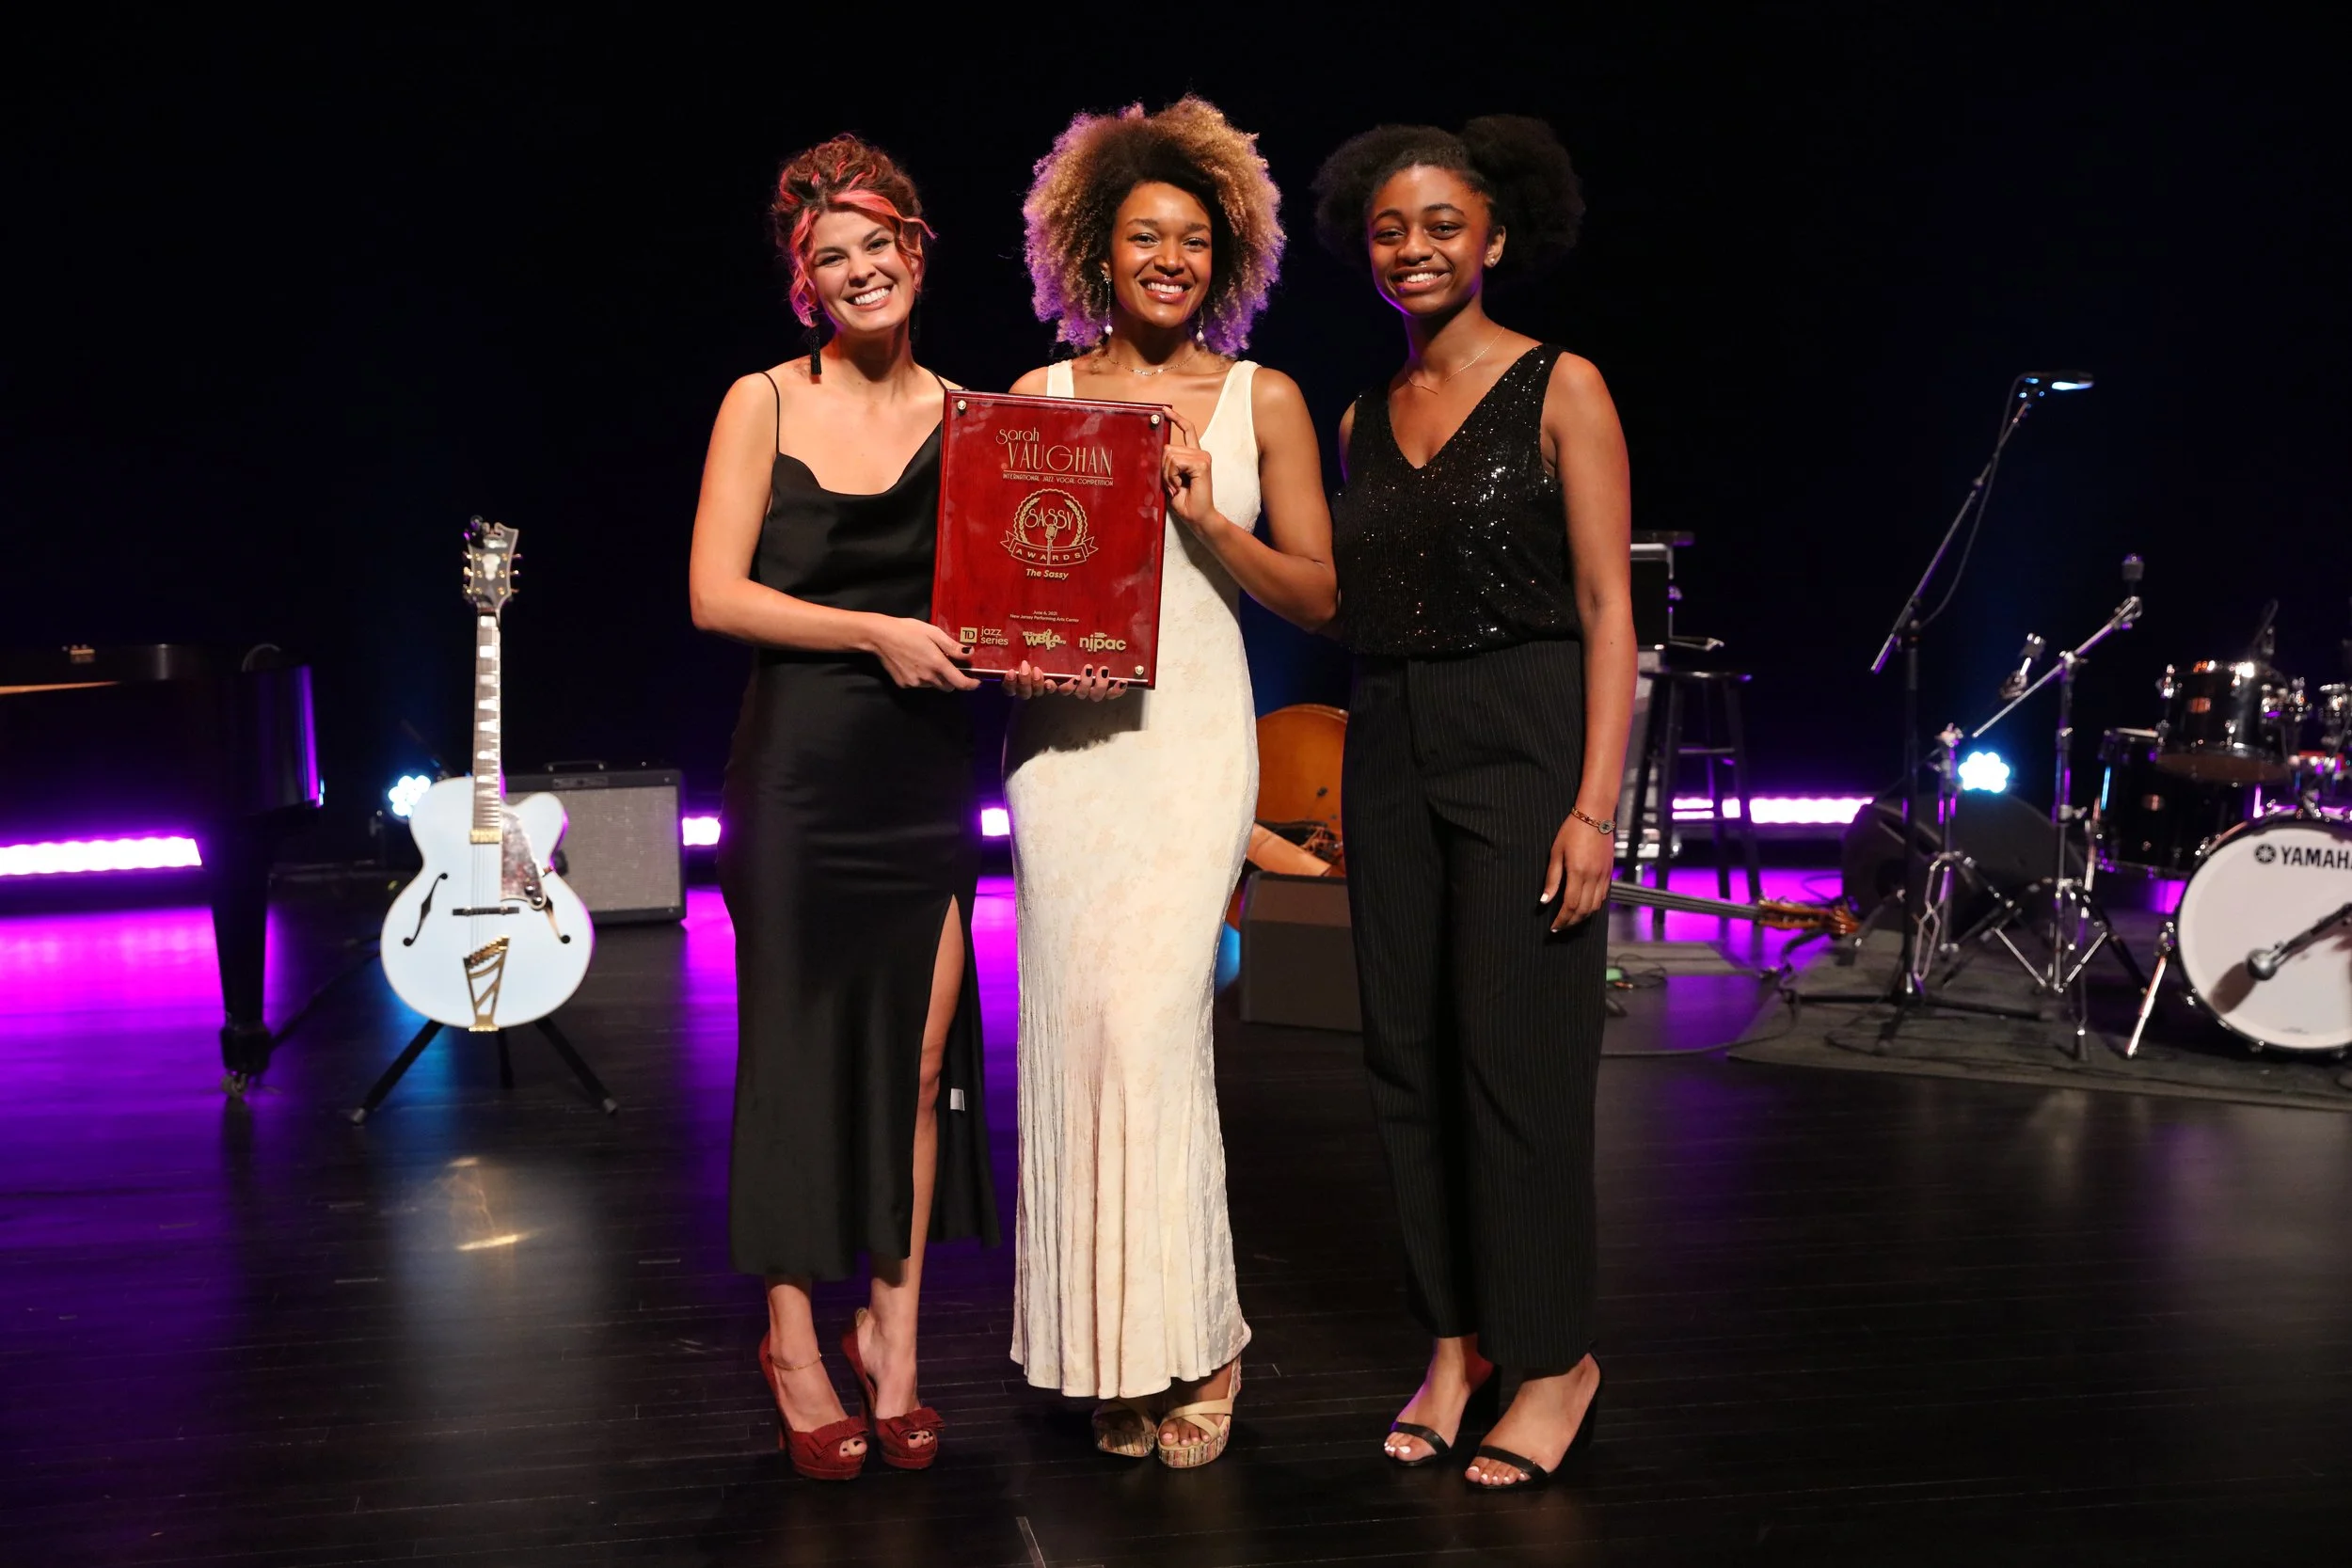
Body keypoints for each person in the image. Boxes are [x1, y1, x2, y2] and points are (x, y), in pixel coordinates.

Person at [1001, 96, 1338, 1468]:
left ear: (1227, 256)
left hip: (1192, 748)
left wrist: (1206, 518)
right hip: (1064, 761)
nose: (1170, 259)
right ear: (1096, 250)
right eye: (1146, 236)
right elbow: (999, 592)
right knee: (1077, 1039)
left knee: (1152, 1033)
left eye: (1194, 240)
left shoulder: (1266, 400)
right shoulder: (1036, 403)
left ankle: (1207, 1341)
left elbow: (1318, 595)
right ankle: (1113, 1353)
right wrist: (1011, 648)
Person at [1311, 116, 1635, 1491]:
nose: (1415, 247)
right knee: (1407, 1058)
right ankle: (1455, 1347)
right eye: (1391, 228)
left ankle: (1553, 1359)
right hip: (1389, 736)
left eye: (1443, 224)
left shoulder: (1563, 385)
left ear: (1495, 237)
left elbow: (1610, 608)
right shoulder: (1357, 417)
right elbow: (1343, 602)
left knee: (1520, 1061)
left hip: (1524, 733)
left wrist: (1596, 807)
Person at [687, 134, 993, 1482]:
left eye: (878, 244)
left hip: (925, 769)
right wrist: (874, 631)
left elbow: (1018, 589)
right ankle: (794, 1345)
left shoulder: (977, 416)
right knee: (796, 1059)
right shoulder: (760, 400)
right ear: (803, 281)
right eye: (830, 256)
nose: (859, 269)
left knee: (920, 1067)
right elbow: (715, 594)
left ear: (916, 250)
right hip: (802, 770)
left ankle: (897, 1341)